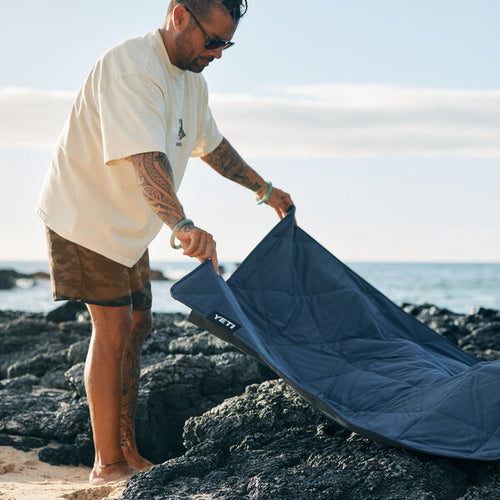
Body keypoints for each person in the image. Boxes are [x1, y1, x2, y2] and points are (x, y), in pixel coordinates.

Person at [36, 0, 293, 487]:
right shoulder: (132, 68)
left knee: (137, 325)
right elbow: (147, 161)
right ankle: (106, 464)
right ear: (178, 16)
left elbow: (211, 145)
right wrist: (183, 226)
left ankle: (126, 452)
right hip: (85, 215)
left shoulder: (192, 80)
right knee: (111, 329)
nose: (218, 53)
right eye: (212, 40)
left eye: (226, 43)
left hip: (131, 226)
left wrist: (263, 189)